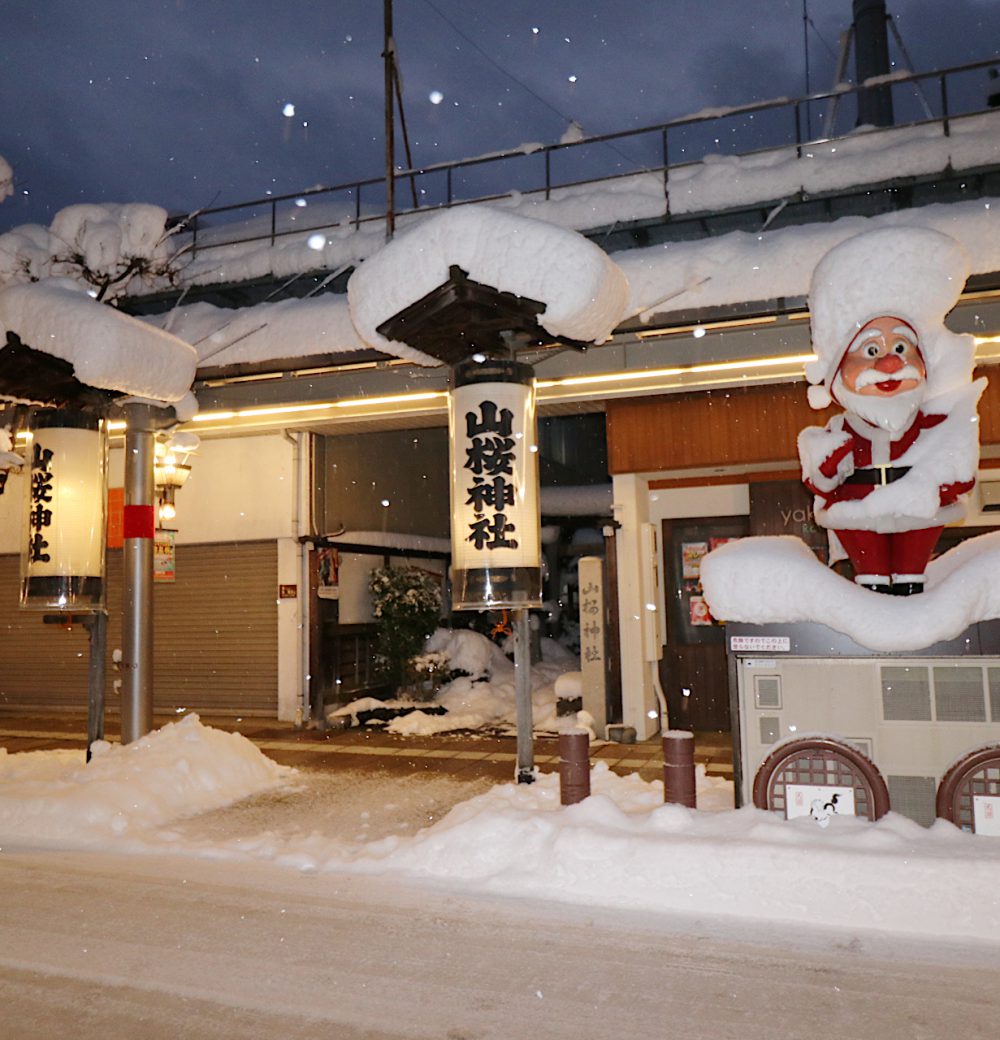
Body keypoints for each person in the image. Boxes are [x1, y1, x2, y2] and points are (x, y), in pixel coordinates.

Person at [798, 227, 985, 595]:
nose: (889, 364)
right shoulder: (839, 427)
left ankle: (910, 614)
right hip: (858, 511)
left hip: (919, 509)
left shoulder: (934, 423)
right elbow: (819, 479)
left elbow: (958, 472)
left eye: (901, 348)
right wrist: (829, 461)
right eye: (870, 351)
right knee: (871, 582)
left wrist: (941, 476)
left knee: (910, 578)